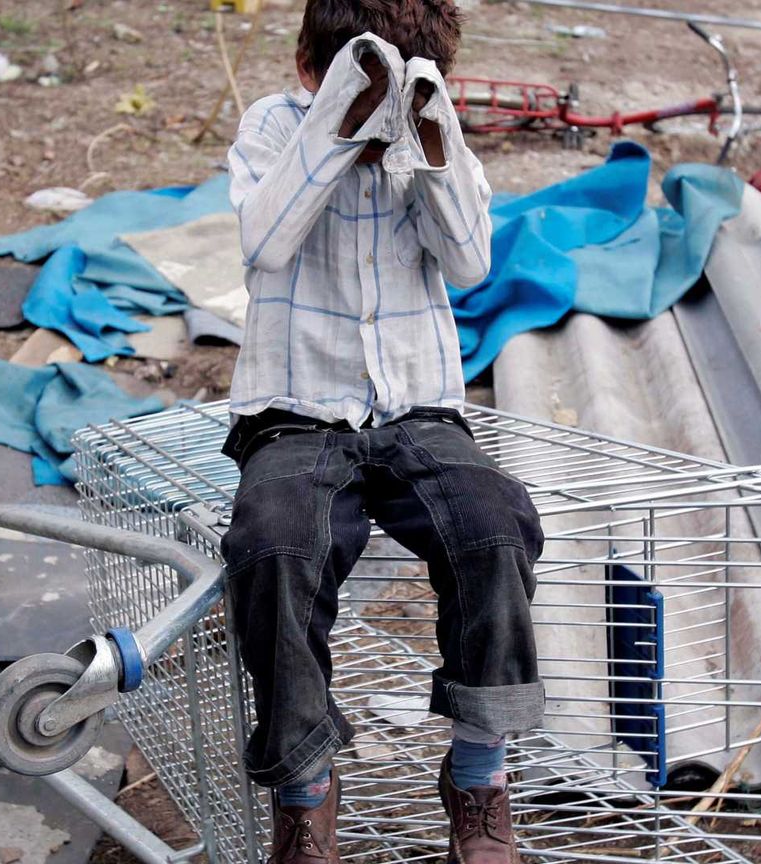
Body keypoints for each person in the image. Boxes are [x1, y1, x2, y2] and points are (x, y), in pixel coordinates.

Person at [219, 2, 544, 862]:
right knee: (274, 546)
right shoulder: (273, 126)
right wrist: (337, 124)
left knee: (496, 525)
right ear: (307, 68)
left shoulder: (436, 129)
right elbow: (264, 243)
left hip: (417, 406)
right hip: (294, 408)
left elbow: (470, 261)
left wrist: (428, 134)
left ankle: (478, 776)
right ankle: (304, 794)